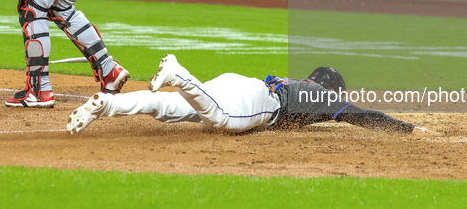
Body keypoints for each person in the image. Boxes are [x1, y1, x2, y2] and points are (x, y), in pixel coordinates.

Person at [67, 54, 444, 136]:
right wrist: (407, 128)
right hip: (259, 102)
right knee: (221, 121)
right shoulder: (320, 97)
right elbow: (359, 115)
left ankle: (110, 104)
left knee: (169, 109)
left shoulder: (299, 84)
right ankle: (180, 74)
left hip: (241, 82)